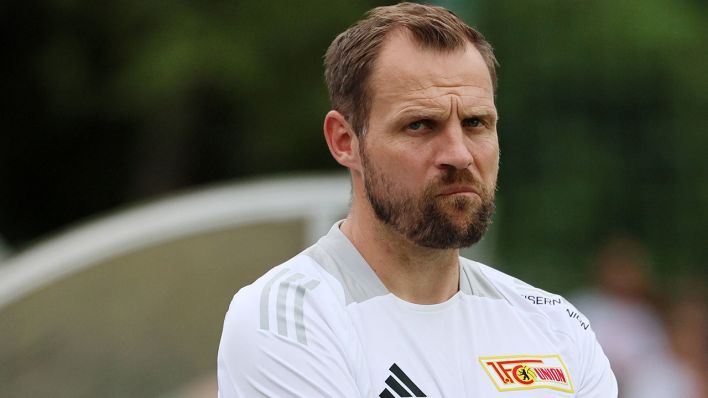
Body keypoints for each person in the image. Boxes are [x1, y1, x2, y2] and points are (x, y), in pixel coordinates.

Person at [217, 3, 617, 397]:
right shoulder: (287, 318)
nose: (459, 154)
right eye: (420, 125)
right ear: (345, 141)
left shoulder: (555, 326)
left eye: (475, 123)